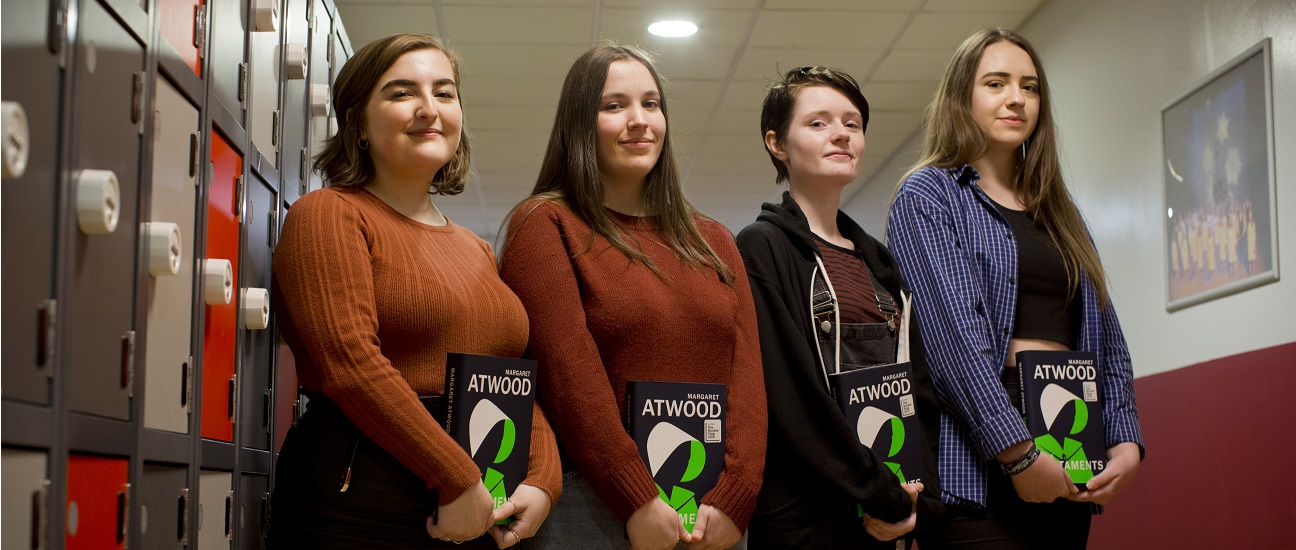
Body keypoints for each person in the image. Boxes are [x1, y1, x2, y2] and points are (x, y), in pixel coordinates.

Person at [268, 33, 560, 549]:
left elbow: (509, 377)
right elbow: (350, 363)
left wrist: (542, 479)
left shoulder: (475, 248)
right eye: (402, 93)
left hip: (476, 500)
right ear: (358, 122)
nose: (429, 109)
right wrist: (457, 476)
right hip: (362, 503)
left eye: (444, 94)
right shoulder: (329, 214)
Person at [498, 43, 766, 550]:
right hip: (597, 507)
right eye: (614, 105)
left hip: (712, 513)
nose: (640, 120)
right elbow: (569, 376)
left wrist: (737, 496)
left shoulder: (714, 241)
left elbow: (749, 378)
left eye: (652, 103)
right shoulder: (546, 225)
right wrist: (637, 498)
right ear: (580, 123)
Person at [885, 28, 1144, 549]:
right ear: (963, 96)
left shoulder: (1058, 209)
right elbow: (953, 344)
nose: (1016, 99)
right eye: (996, 83)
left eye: (1029, 87)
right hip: (981, 468)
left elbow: (1105, 337)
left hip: (1071, 443)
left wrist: (1126, 439)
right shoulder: (928, 195)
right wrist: (1019, 453)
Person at [734, 66, 943, 549]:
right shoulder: (761, 248)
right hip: (810, 518)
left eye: (852, 123)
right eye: (819, 123)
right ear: (777, 143)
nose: (842, 135)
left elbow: (918, 389)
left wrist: (920, 500)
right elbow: (794, 398)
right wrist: (879, 493)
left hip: (893, 508)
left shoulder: (881, 263)